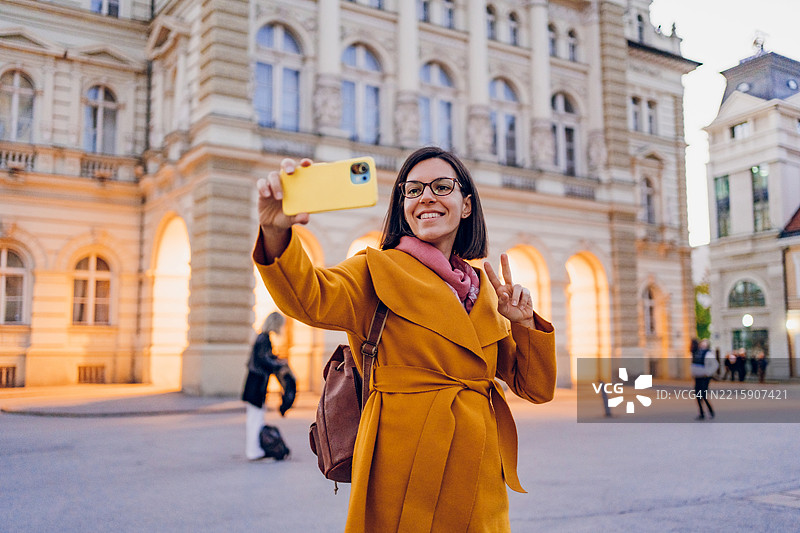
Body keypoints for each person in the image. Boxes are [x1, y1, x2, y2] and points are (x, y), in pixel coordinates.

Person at [253, 147, 556, 532]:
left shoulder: (487, 290)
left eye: (441, 186)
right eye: (412, 190)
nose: (425, 196)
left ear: (466, 205)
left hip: (479, 473)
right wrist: (276, 230)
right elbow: (309, 296)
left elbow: (537, 389)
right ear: (403, 207)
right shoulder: (375, 269)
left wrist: (525, 324)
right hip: (401, 469)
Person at [241, 312, 297, 460]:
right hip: (256, 385)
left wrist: (276, 359)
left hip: (255, 383)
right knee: (255, 419)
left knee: (256, 418)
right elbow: (263, 360)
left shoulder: (263, 337)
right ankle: (253, 451)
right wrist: (279, 363)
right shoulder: (264, 339)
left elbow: (265, 358)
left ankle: (255, 450)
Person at [690, 338, 718, 420]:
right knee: (698, 395)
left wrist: (708, 372)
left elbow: (715, 365)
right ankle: (702, 413)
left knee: (703, 395)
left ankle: (710, 411)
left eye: (704, 344)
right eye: (702, 344)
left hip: (705, 377)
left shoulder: (708, 354)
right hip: (698, 377)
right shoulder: (697, 353)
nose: (702, 346)